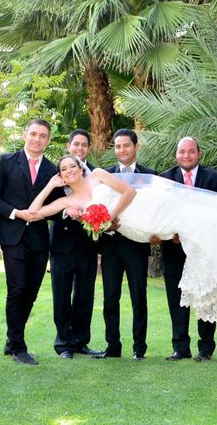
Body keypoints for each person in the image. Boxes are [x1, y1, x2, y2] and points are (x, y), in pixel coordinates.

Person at [25, 156, 217, 331]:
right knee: (193, 229)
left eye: (72, 166)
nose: (68, 171)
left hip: (146, 208)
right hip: (136, 229)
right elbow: (34, 212)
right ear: (61, 175)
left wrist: (108, 218)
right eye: (63, 170)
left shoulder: (99, 175)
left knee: (198, 217)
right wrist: (50, 187)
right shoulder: (67, 198)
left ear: (81, 167)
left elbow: (128, 192)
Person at [0, 119, 58, 365]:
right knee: (17, 290)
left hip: (39, 240)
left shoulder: (52, 170)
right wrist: (16, 213)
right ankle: (18, 346)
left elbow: (57, 208)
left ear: (48, 140)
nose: (37, 139)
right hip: (12, 236)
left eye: (43, 136)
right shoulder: (6, 162)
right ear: (25, 134)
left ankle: (11, 340)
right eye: (34, 134)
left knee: (31, 292)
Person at [97, 129, 157, 361]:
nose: (122, 150)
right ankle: (113, 346)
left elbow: (155, 209)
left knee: (138, 297)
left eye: (126, 146)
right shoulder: (104, 175)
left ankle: (139, 348)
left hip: (136, 247)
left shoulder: (150, 176)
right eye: (118, 146)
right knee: (110, 298)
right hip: (110, 246)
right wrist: (103, 225)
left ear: (136, 147)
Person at [159, 137, 217, 362]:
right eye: (182, 151)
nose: (187, 155)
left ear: (199, 153)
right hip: (173, 248)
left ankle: (205, 348)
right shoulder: (164, 179)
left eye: (191, 151)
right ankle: (180, 347)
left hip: (205, 250)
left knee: (206, 296)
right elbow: (160, 213)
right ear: (176, 154)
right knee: (176, 298)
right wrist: (169, 232)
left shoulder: (214, 178)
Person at [45, 129, 100, 359]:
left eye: (84, 144)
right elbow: (46, 207)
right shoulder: (58, 174)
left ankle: (80, 341)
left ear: (88, 148)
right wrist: (65, 212)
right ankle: (64, 344)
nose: (79, 148)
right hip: (62, 244)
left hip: (88, 244)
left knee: (85, 296)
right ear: (69, 146)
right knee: (62, 294)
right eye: (75, 144)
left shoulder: (95, 175)